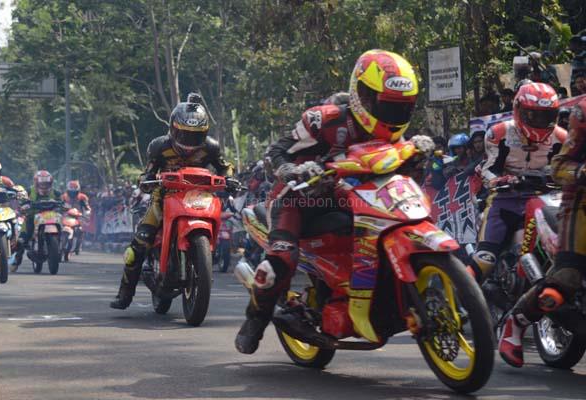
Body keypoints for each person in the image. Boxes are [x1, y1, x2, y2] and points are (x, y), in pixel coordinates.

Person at [235, 50, 420, 354]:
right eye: (386, 106)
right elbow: (275, 153)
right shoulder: (323, 119)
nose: (393, 115)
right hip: (297, 200)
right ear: (364, 97)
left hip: (350, 198)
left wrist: (417, 150)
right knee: (280, 260)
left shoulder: (391, 134)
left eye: (401, 109)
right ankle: (256, 317)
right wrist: (293, 169)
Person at [109, 96, 234, 310]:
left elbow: (225, 168)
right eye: (184, 134)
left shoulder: (211, 147)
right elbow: (147, 173)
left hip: (199, 195)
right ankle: (124, 294)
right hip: (164, 196)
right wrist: (145, 182)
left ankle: (201, 260)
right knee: (140, 243)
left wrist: (230, 179)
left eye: (195, 136)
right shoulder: (159, 147)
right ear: (173, 129)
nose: (189, 140)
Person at [498, 98, 586, 368]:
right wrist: (582, 171)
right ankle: (516, 323)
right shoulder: (583, 112)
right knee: (567, 277)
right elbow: (559, 166)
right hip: (580, 204)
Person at [467, 82, 567, 282]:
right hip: (505, 201)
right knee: (485, 260)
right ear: (518, 109)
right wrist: (501, 180)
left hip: (545, 200)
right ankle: (460, 303)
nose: (539, 121)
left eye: (546, 116)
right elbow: (488, 169)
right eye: (533, 115)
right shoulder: (499, 133)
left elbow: (566, 168)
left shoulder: (561, 137)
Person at [13, 170, 62, 269]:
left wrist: (64, 205)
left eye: (46, 183)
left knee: (62, 229)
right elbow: (21, 200)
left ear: (50, 183)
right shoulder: (29, 191)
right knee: (22, 239)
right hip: (32, 216)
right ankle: (16, 261)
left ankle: (60, 249)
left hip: (51, 217)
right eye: (41, 183)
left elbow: (62, 201)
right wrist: (23, 205)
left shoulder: (56, 192)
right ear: (36, 182)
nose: (44, 186)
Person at [61, 180, 91, 254]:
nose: (73, 193)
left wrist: (86, 214)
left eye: (74, 192)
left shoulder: (83, 197)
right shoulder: (63, 196)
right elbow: (59, 206)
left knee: (80, 230)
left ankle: (78, 245)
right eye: (71, 191)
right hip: (66, 215)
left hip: (78, 215)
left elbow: (87, 208)